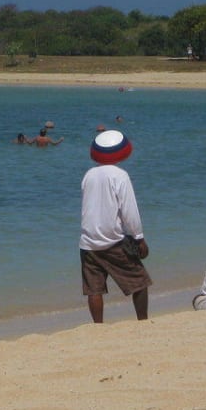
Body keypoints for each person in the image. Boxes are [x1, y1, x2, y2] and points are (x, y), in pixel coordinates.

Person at [79, 130, 151, 323]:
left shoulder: (89, 175)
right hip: (113, 240)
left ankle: (98, 326)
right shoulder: (120, 176)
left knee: (94, 289)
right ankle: (143, 321)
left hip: (88, 242)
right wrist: (139, 237)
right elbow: (129, 211)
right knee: (139, 280)